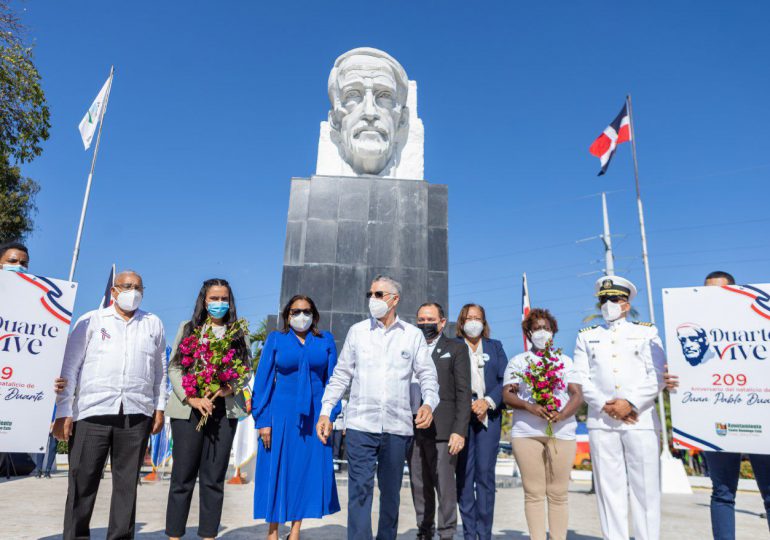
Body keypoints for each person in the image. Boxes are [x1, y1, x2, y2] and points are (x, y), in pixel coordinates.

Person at [316, 275, 440, 540]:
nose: (373, 299)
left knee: (391, 494)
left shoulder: (412, 336)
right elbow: (341, 375)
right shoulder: (357, 332)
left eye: (379, 294)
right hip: (361, 426)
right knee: (359, 491)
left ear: (394, 299)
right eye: (370, 294)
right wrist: (326, 410)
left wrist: (428, 403)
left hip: (398, 428)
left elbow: (428, 375)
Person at [53, 270, 166, 540]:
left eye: (138, 287)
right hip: (92, 413)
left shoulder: (153, 323)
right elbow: (70, 366)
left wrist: (159, 407)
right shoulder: (91, 320)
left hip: (136, 414)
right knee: (82, 484)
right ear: (114, 291)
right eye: (127, 286)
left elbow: (160, 371)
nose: (133, 291)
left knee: (127, 487)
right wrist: (64, 411)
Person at [665, 271, 770, 539]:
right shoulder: (689, 329)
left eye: (720, 290)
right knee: (722, 492)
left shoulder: (760, 322)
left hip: (761, 417)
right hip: (716, 421)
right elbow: (687, 375)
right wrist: (675, 380)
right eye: (707, 290)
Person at [573, 275, 666, 540]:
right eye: (603, 299)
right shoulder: (586, 336)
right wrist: (607, 405)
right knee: (608, 489)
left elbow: (657, 374)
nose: (607, 304)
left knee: (645, 488)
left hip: (640, 418)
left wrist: (631, 403)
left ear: (626, 304)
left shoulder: (646, 332)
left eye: (613, 299)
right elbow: (581, 377)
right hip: (602, 421)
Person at [165, 278, 251, 540]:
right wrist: (191, 398)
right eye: (214, 299)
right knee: (183, 477)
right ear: (204, 300)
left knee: (214, 479)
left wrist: (228, 388)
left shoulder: (238, 332)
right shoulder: (189, 328)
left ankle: (208, 535)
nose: (219, 304)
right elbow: (175, 367)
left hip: (223, 412)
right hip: (188, 411)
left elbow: (245, 370)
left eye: (224, 299)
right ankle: (174, 535)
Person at [252, 295, 340, 540]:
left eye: (306, 311)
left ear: (314, 314)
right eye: (295, 311)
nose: (301, 315)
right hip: (280, 414)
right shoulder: (276, 339)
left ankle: (296, 531)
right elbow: (263, 382)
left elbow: (334, 381)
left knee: (303, 471)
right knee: (276, 469)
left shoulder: (326, 341)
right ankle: (272, 531)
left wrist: (330, 415)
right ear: (287, 315)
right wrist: (263, 421)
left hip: (314, 416)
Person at [503, 308, 583, 540]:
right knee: (534, 493)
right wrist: (530, 406)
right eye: (536, 328)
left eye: (546, 328)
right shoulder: (519, 361)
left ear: (553, 332)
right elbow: (508, 395)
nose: (541, 332)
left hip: (562, 432)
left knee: (558, 493)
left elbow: (577, 395)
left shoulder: (565, 362)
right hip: (526, 433)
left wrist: (562, 414)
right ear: (528, 333)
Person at [408, 302, 472, 540]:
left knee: (444, 486)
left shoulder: (455, 349)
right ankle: (424, 531)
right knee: (419, 485)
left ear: (442, 322)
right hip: (412, 427)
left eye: (430, 319)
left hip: (444, 431)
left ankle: (446, 533)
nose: (425, 324)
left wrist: (459, 431)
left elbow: (464, 393)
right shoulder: (409, 347)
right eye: (421, 319)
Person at [454, 303, 508, 540]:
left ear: (484, 322)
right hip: (461, 419)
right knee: (464, 476)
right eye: (468, 318)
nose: (473, 322)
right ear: (461, 322)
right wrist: (467, 403)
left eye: (477, 318)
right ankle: (469, 533)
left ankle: (484, 533)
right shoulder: (452, 346)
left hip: (489, 416)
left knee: (485, 476)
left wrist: (487, 401)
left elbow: (506, 381)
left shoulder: (495, 347)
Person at [332, 398, 348, 471]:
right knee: (330, 443)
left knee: (337, 444)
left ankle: (336, 462)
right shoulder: (332, 399)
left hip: (339, 424)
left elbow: (345, 416)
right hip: (331, 424)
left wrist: (344, 428)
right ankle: (330, 461)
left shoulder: (344, 402)